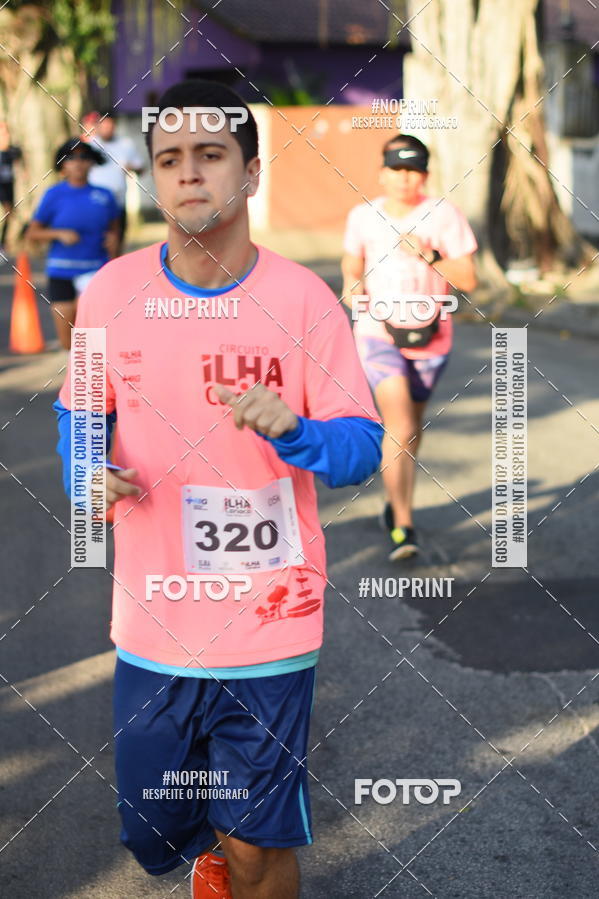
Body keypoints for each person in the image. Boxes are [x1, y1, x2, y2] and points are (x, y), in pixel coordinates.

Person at [53, 80, 383, 898]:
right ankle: (205, 849)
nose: (189, 173)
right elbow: (80, 417)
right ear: (152, 177)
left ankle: (237, 853)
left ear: (250, 173)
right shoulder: (110, 294)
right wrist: (84, 472)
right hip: (153, 624)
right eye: (170, 158)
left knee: (254, 836)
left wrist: (296, 432)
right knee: (154, 827)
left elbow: (363, 448)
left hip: (271, 624)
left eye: (210, 155)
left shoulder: (304, 302)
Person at [342, 133, 477, 560]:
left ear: (425, 174)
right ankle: (404, 525)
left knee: (411, 431)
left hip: (431, 337)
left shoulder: (444, 215)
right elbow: (351, 268)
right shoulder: (363, 217)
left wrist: (431, 256)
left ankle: (394, 502)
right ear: (382, 174)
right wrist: (354, 294)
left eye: (413, 170)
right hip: (377, 333)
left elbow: (469, 279)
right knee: (398, 426)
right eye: (396, 169)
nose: (404, 178)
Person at [26, 138, 120, 349]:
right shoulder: (54, 195)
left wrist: (114, 241)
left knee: (90, 337)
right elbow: (32, 233)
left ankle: (93, 379)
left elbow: (114, 229)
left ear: (92, 162)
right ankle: (74, 377)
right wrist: (59, 233)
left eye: (84, 158)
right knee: (68, 341)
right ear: (62, 164)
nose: (78, 163)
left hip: (95, 271)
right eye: (71, 158)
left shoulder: (105, 196)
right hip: (61, 272)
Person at [83, 110, 145, 254]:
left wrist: (132, 167)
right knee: (96, 241)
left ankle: (115, 271)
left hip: (118, 203)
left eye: (110, 125)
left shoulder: (126, 144)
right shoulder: (90, 146)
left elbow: (141, 167)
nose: (107, 128)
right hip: (95, 203)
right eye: (104, 125)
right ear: (97, 126)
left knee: (117, 241)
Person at [0, 121, 23, 256]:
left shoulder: (12, 151)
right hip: (1, 190)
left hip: (10, 188)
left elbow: (20, 169)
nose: (6, 137)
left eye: (6, 133)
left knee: (10, 216)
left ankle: (4, 245)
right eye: (2, 134)